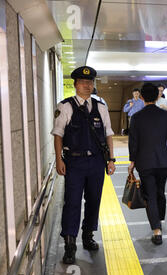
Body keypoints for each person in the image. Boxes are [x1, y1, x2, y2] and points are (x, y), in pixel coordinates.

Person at [51, 66, 116, 264]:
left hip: (96, 162)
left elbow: (109, 134)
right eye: (83, 82)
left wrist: (111, 159)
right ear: (75, 84)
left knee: (94, 200)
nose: (87, 85)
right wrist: (59, 159)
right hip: (74, 162)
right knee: (72, 202)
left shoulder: (101, 107)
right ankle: (70, 244)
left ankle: (88, 235)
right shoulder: (65, 106)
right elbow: (58, 135)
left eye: (90, 82)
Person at [128, 83, 167, 245]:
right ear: (158, 96)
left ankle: (156, 229)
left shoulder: (136, 117)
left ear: (141, 97)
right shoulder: (166, 116)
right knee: (160, 192)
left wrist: (132, 162)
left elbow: (133, 142)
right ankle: (159, 219)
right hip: (163, 161)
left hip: (145, 162)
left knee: (150, 194)